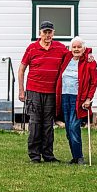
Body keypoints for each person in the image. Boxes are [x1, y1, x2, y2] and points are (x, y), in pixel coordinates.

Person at [18, 21, 68, 163]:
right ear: (40, 33)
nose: (47, 35)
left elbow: (74, 56)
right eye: (44, 32)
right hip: (34, 92)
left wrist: (88, 56)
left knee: (48, 124)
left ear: (53, 33)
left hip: (51, 93)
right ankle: (34, 155)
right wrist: (22, 91)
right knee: (35, 122)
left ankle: (48, 155)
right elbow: (21, 69)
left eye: (49, 32)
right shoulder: (32, 48)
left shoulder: (60, 48)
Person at [56, 36, 97, 165]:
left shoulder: (89, 61)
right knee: (69, 128)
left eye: (79, 47)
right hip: (64, 97)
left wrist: (88, 98)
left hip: (78, 99)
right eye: (74, 47)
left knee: (74, 127)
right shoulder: (67, 58)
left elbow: (94, 81)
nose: (76, 49)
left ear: (83, 48)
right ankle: (75, 157)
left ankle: (79, 157)